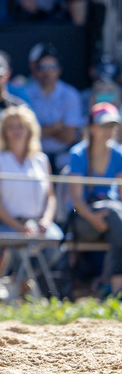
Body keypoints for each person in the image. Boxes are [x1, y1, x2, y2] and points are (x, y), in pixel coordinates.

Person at [0, 105, 63, 244]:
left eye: (20, 126)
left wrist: (45, 221)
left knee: (55, 240)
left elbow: (50, 197)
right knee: (16, 248)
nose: (16, 131)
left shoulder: (41, 159)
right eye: (11, 127)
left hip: (38, 225)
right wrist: (18, 227)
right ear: (4, 132)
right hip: (6, 225)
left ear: (29, 129)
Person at [68, 103, 122, 297]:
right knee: (115, 215)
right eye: (104, 125)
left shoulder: (118, 153)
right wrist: (94, 218)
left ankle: (116, 291)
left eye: (112, 126)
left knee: (116, 221)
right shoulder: (78, 153)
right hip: (85, 221)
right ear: (91, 127)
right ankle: (110, 287)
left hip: (111, 219)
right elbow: (76, 200)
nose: (109, 131)